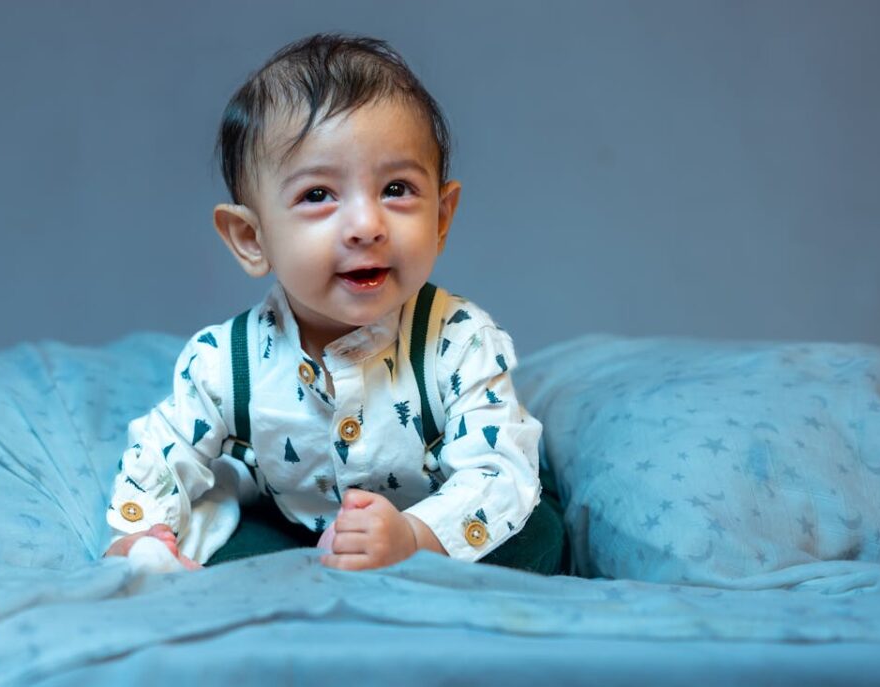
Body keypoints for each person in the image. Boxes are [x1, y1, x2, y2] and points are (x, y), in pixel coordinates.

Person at [104, 33, 561, 573]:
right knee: (228, 533)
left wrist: (413, 535)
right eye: (317, 195)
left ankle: (405, 568)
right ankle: (257, 573)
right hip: (303, 530)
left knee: (538, 531)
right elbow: (162, 453)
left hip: (438, 527)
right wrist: (139, 532)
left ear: (440, 218)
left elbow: (498, 471)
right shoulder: (225, 363)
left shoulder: (458, 340)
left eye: (396, 189)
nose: (367, 226)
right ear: (252, 239)